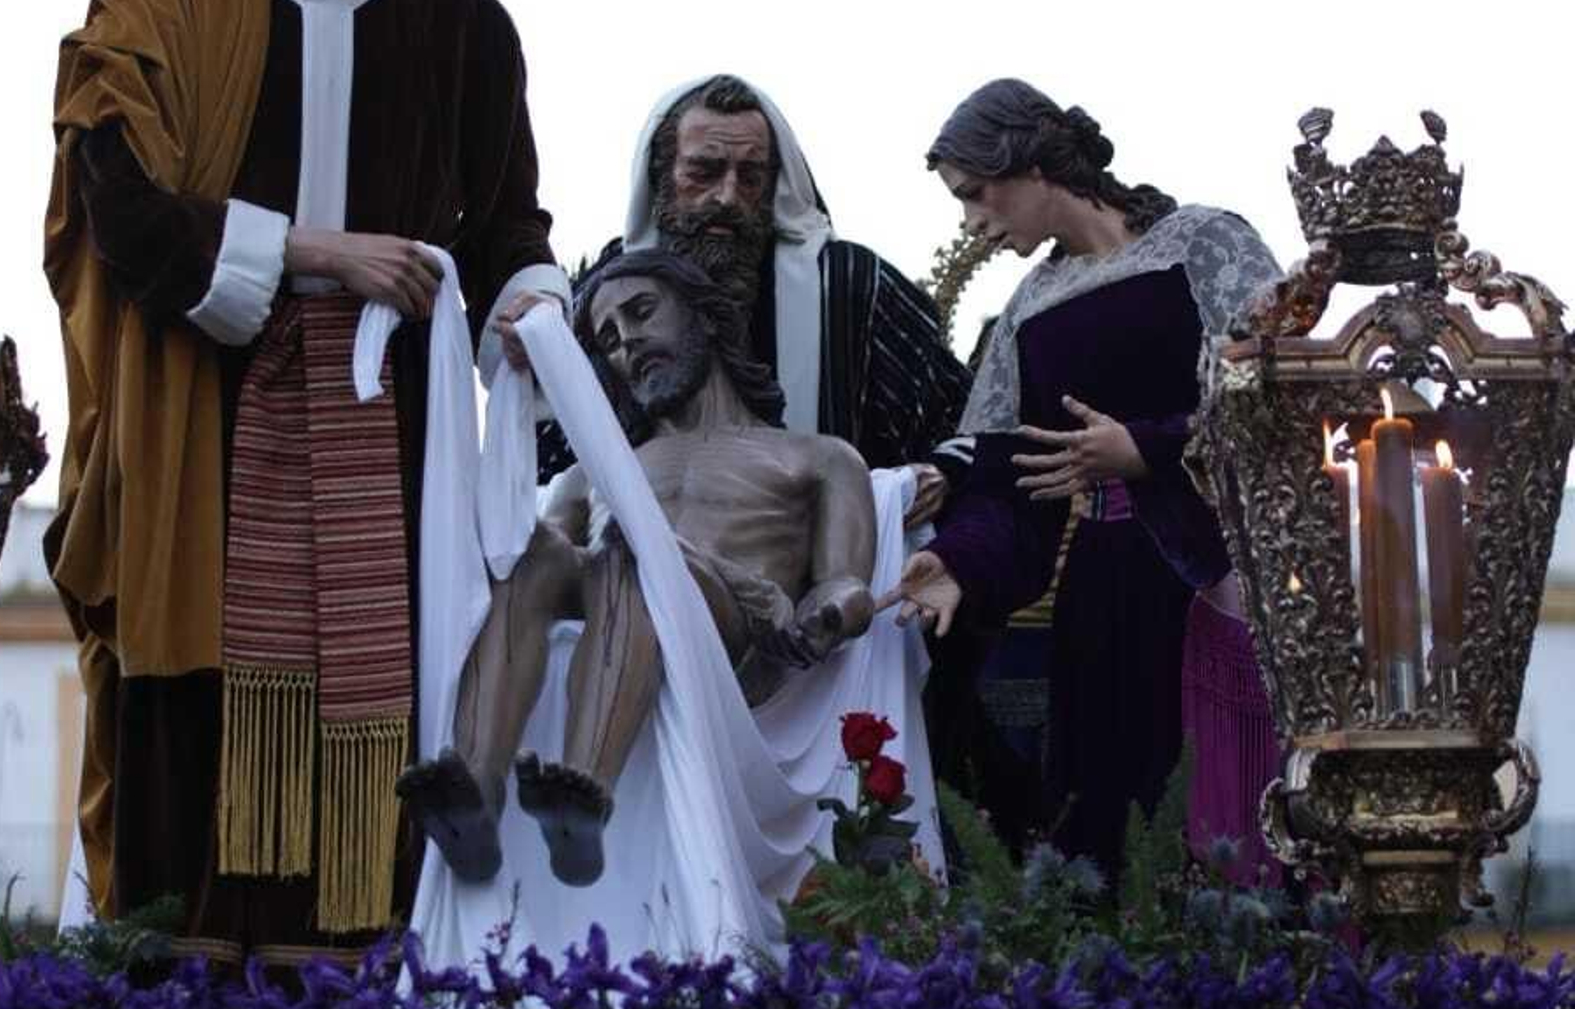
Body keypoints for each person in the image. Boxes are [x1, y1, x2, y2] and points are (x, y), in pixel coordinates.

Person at [45, 0, 567, 963]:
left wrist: (536, 308)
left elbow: (505, 223)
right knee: (195, 687)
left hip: (395, 420)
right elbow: (113, 194)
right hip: (203, 403)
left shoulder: (458, 15)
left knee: (386, 682)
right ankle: (180, 984)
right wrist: (314, 253)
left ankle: (354, 982)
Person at [887, 79, 1281, 883]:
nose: (971, 222)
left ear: (1028, 163)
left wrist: (1149, 447)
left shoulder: (1203, 244)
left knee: (1234, 815)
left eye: (976, 194)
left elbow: (1286, 391)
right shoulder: (1030, 311)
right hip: (1102, 606)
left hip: (1227, 578)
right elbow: (1006, 485)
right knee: (1112, 830)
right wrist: (958, 559)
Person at [400, 250, 878, 890]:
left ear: (707, 318)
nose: (628, 342)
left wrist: (831, 612)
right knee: (530, 546)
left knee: (634, 549)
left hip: (724, 627)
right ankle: (475, 792)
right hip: (615, 583)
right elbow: (526, 570)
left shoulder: (814, 458)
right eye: (608, 338)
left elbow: (846, 579)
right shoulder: (590, 474)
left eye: (642, 312)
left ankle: (583, 793)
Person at [579, 74, 967, 491]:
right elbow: (551, 448)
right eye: (704, 172)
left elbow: (959, 421)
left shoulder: (850, 286)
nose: (727, 197)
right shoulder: (602, 295)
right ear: (661, 176)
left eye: (749, 176)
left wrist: (940, 474)